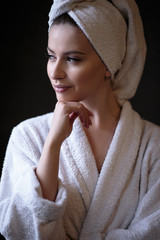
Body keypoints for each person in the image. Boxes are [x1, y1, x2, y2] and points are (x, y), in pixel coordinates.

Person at [0, 0, 160, 239]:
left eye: (72, 59)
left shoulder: (153, 144)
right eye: (51, 56)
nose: (55, 72)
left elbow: (152, 231)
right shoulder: (28, 135)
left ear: (109, 63)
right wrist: (52, 145)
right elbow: (21, 229)